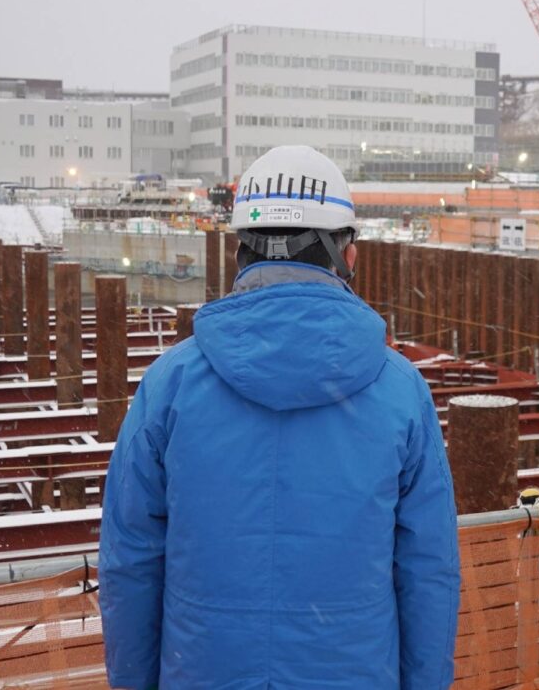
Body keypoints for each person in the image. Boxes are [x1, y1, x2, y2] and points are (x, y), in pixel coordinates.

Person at [98, 145, 461, 690]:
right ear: (349, 255)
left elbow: (130, 564)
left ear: (241, 250)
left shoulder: (170, 385)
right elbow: (428, 572)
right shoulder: (401, 390)